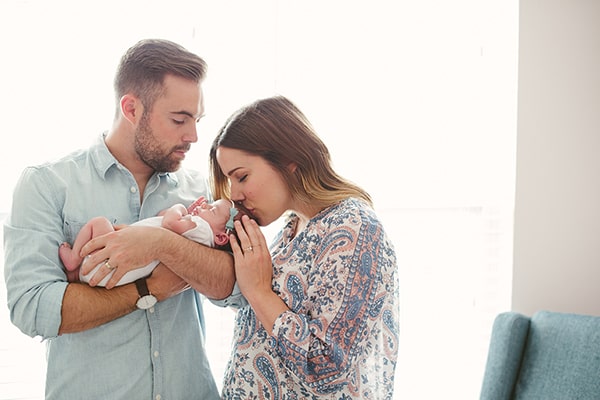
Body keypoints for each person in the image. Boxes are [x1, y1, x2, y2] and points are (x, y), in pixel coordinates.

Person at [3, 39, 236, 400]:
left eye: (197, 119)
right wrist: (149, 289)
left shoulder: (201, 194)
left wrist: (160, 243)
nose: (193, 136)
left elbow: (232, 288)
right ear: (131, 108)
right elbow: (34, 308)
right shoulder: (48, 184)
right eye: (179, 119)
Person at [209, 95, 400, 399]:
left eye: (242, 176)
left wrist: (259, 293)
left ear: (288, 159)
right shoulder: (290, 229)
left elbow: (326, 368)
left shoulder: (354, 229)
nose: (236, 194)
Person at [59, 196, 240, 287]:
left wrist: (181, 208)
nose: (205, 205)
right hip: (114, 275)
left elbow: (169, 221)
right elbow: (163, 218)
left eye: (213, 210)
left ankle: (74, 259)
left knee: (99, 223)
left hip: (109, 262)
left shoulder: (201, 228)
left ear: (221, 237)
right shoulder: (197, 242)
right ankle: (77, 275)